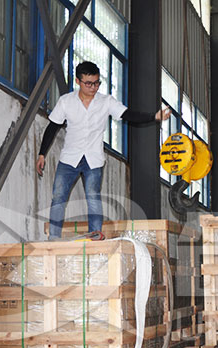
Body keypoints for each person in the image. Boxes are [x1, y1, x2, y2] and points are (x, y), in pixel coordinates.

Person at [37, 61, 170, 239]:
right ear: (78, 81)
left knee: (93, 197)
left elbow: (128, 114)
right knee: (58, 196)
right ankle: (53, 237)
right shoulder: (66, 102)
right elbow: (52, 127)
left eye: (96, 83)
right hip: (69, 158)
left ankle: (95, 235)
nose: (93, 87)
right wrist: (42, 154)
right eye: (88, 83)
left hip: (93, 158)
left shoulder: (106, 102)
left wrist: (154, 117)